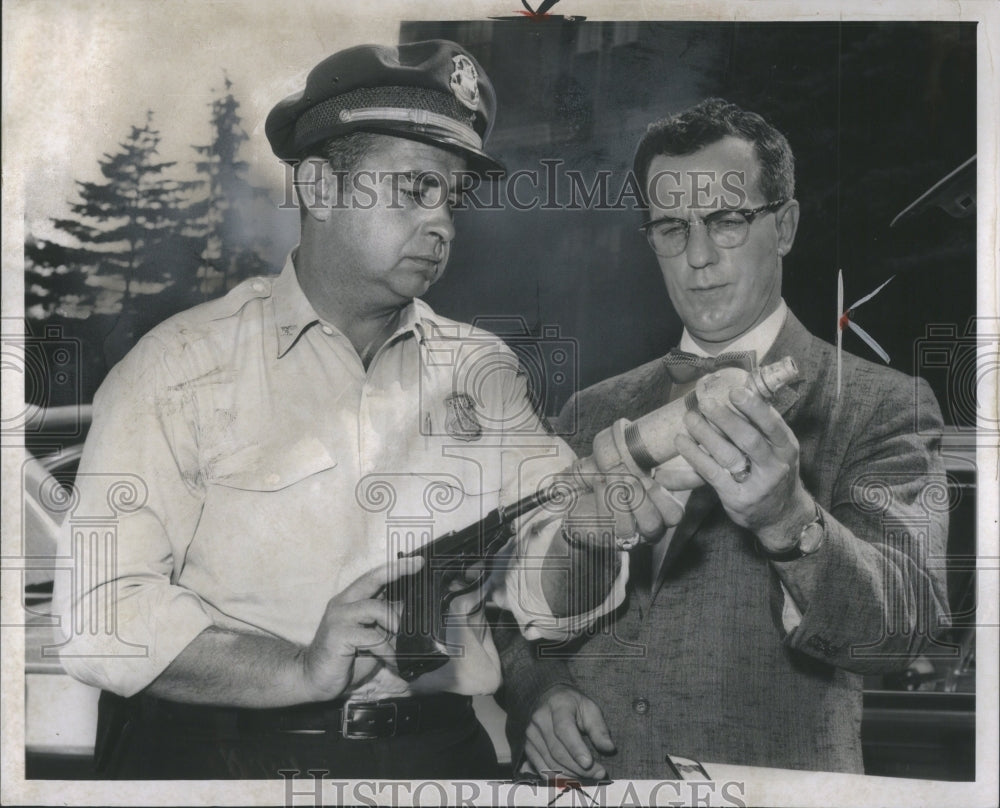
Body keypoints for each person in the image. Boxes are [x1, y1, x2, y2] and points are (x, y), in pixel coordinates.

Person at [54, 41, 677, 780]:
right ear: (319, 188)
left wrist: (584, 539)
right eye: (415, 189)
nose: (442, 221)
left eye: (453, 197)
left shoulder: (482, 372)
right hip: (225, 763)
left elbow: (540, 599)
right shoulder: (179, 367)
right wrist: (300, 669)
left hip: (438, 759)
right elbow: (102, 614)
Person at [498, 98, 950, 777]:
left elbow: (904, 628)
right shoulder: (590, 410)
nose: (699, 257)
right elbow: (506, 606)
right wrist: (540, 694)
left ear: (786, 224)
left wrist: (788, 519)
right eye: (672, 228)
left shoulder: (884, 405)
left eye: (728, 220)